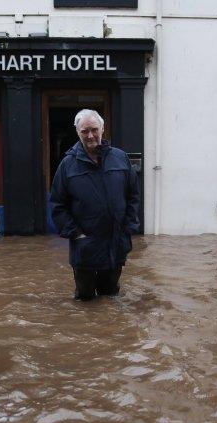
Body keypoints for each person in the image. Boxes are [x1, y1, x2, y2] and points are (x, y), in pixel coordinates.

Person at [49, 109, 141, 301]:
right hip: (85, 246)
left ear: (102, 129)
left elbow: (133, 196)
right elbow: (58, 205)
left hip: (116, 243)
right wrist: (75, 234)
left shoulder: (120, 158)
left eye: (94, 129)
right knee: (85, 300)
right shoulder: (67, 165)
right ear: (77, 132)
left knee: (110, 297)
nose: (90, 135)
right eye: (84, 131)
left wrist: (128, 228)